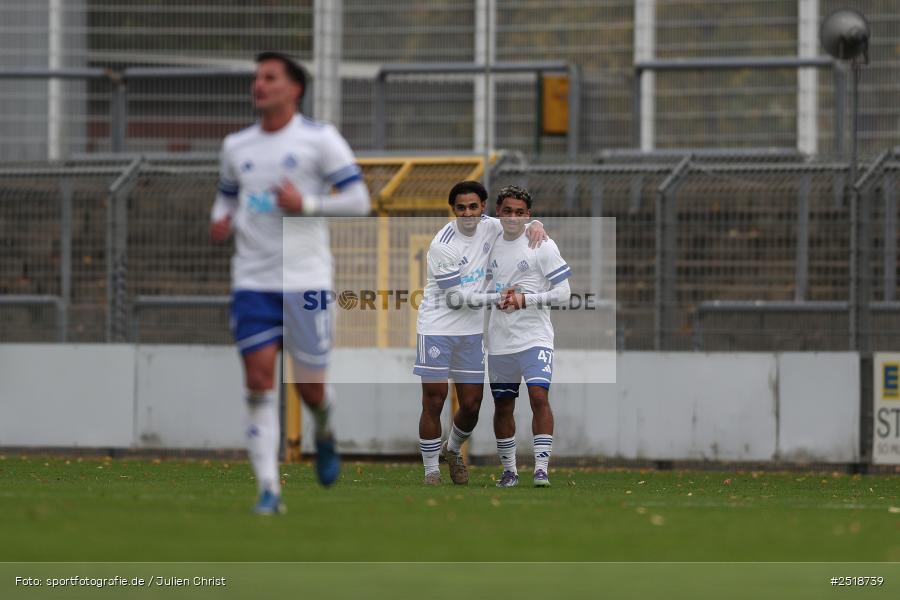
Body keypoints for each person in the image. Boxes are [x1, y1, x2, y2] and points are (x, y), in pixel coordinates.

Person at [209, 51, 370, 514]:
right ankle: (268, 490)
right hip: (252, 281)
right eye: (256, 77)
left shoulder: (320, 139)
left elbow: (359, 201)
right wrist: (220, 219)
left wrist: (308, 205)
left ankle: (325, 430)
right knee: (259, 381)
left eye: (270, 77)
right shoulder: (236, 145)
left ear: (294, 88)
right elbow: (226, 199)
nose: (259, 85)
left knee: (310, 389)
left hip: (306, 280)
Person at [414, 180, 545, 486]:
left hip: (471, 332)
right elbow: (455, 298)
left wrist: (537, 224)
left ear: (483, 207)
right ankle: (431, 471)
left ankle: (452, 450)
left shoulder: (491, 226)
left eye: (473, 206)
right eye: (461, 208)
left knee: (472, 404)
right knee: (434, 399)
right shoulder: (443, 244)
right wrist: (497, 298)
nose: (468, 213)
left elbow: (517, 221)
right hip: (436, 327)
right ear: (453, 209)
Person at [486, 185, 571, 488]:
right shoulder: (488, 240)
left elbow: (564, 292)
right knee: (503, 405)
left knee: (538, 396)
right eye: (507, 211)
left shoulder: (541, 244)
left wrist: (525, 299)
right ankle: (509, 471)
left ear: (528, 214)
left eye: (520, 213)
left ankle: (541, 469)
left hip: (535, 337)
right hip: (500, 339)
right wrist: (493, 296)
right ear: (498, 212)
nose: (513, 217)